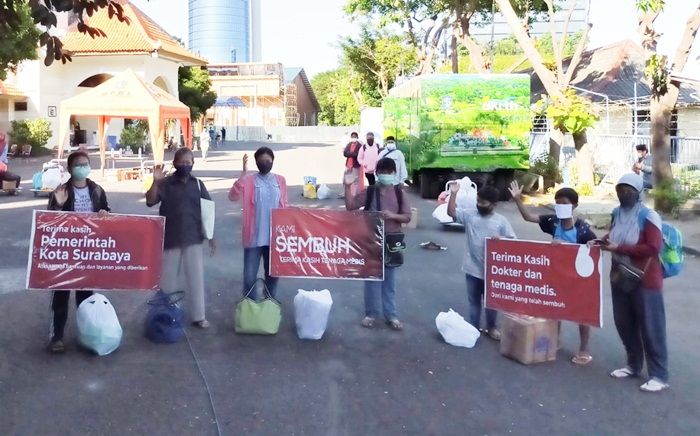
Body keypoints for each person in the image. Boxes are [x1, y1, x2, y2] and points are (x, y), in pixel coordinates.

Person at [591, 173, 668, 392]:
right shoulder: (617, 212)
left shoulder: (648, 216)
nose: (623, 193)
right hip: (620, 276)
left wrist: (619, 249)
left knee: (651, 326)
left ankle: (659, 375)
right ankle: (633, 365)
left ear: (638, 192)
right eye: (620, 189)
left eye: (628, 190)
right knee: (624, 323)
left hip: (645, 279)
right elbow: (615, 235)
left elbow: (653, 248)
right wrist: (601, 241)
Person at [509, 181, 597, 365]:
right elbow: (528, 218)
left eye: (564, 203)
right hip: (557, 274)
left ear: (574, 206)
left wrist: (583, 246)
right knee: (555, 308)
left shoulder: (582, 228)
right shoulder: (552, 221)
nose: (560, 206)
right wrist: (518, 199)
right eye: (558, 203)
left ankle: (584, 349)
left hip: (577, 278)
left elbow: (595, 248)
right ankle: (554, 340)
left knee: (581, 313)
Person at [46, 151, 110, 353]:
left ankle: (88, 335)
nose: (83, 167)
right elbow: (48, 221)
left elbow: (108, 213)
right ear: (70, 169)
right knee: (61, 295)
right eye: (78, 164)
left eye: (86, 164)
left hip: (88, 251)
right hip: (66, 251)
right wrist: (58, 203)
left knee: (86, 297)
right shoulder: (61, 191)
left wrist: (104, 214)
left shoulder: (97, 190)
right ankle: (56, 336)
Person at [146, 148, 216, 329]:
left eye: (189, 162)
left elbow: (208, 212)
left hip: (193, 237)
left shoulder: (198, 184)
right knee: (167, 280)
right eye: (182, 162)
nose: (186, 165)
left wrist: (211, 236)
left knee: (196, 279)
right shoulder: (165, 183)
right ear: (175, 163)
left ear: (193, 163)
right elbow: (150, 201)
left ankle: (199, 316)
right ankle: (165, 314)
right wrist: (155, 182)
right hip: (170, 237)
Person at [344, 157, 412, 330]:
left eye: (389, 172)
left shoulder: (399, 193)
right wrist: (347, 186)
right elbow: (350, 206)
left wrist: (393, 216)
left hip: (392, 241)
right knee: (371, 278)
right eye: (382, 172)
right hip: (371, 240)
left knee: (389, 280)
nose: (385, 175)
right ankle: (371, 314)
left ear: (394, 174)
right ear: (377, 173)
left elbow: (407, 216)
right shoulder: (370, 191)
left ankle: (391, 315)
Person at [447, 184, 515, 340]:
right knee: (474, 301)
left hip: (492, 271)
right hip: (472, 269)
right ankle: (474, 327)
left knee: (491, 303)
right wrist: (453, 194)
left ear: (494, 205)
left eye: (484, 203)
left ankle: (492, 327)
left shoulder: (501, 221)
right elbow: (451, 212)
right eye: (478, 201)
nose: (479, 205)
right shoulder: (471, 216)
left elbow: (513, 242)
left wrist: (502, 239)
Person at [229, 147, 288, 299]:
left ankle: (269, 305)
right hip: (253, 238)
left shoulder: (280, 180)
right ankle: (250, 308)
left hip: (275, 239)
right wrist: (243, 174)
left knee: (273, 276)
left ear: (273, 161)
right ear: (256, 162)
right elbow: (233, 197)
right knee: (249, 278)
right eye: (261, 160)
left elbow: (285, 206)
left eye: (268, 160)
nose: (265, 163)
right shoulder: (249, 181)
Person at [343, 132, 364, 196]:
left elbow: (358, 154)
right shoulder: (349, 144)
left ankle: (354, 195)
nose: (353, 138)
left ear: (357, 138)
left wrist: (350, 153)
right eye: (352, 137)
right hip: (348, 165)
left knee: (355, 181)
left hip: (355, 165)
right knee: (345, 180)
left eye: (355, 137)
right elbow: (345, 153)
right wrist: (352, 153)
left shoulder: (359, 145)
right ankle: (346, 194)